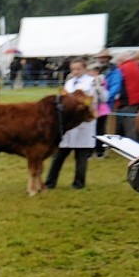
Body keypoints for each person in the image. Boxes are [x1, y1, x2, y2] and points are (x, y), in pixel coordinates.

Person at [45, 58, 102, 189]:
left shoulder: (92, 82)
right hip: (67, 124)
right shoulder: (69, 82)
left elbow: (93, 101)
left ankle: (78, 183)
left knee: (81, 156)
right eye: (73, 69)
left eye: (78, 69)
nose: (75, 72)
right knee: (59, 155)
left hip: (83, 123)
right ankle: (50, 182)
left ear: (85, 68)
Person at [117, 52, 139, 141]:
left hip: (129, 101)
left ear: (120, 60)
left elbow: (118, 85)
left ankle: (133, 149)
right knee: (135, 125)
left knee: (129, 127)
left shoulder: (122, 68)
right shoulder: (134, 66)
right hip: (137, 100)